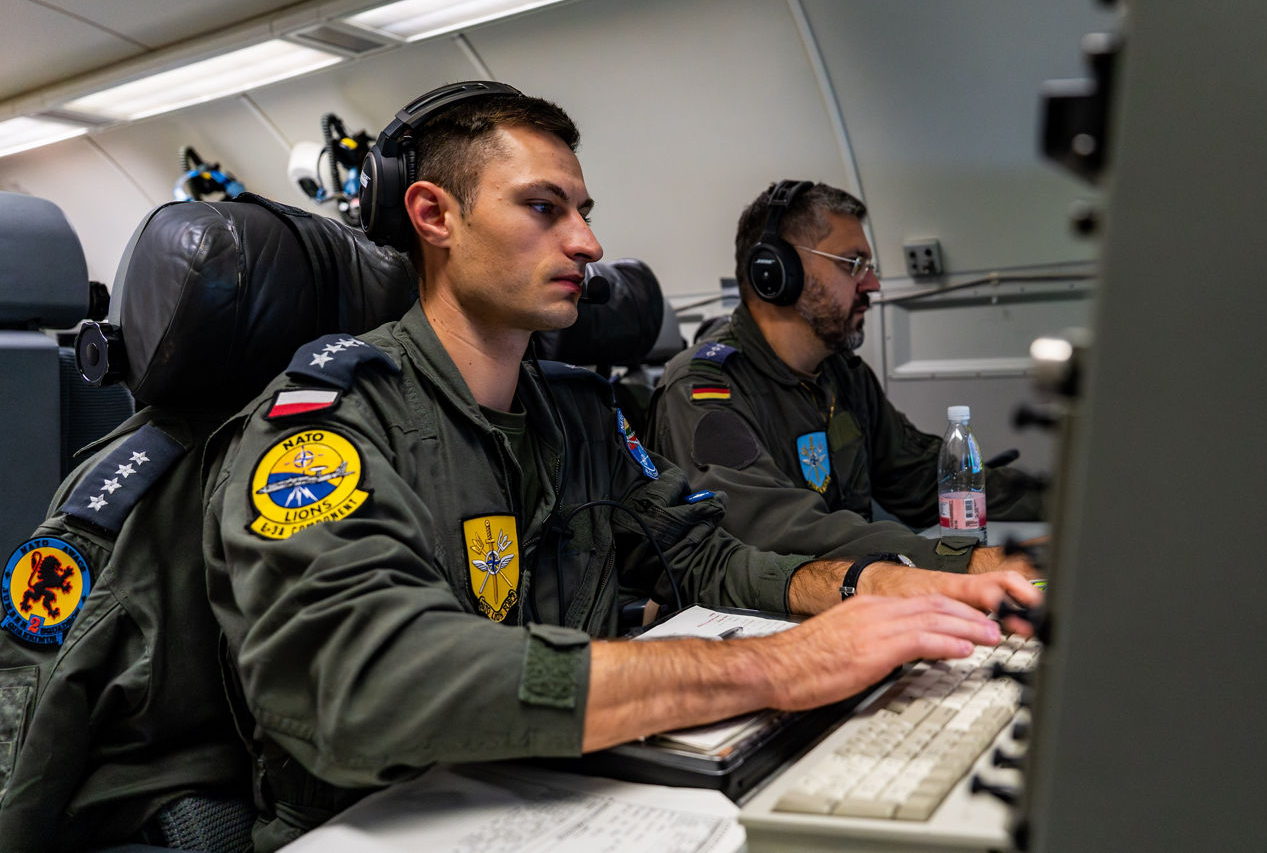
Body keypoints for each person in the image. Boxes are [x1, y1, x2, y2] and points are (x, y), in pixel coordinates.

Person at [203, 83, 1040, 849]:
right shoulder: (328, 429)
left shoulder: (578, 413)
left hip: (562, 794)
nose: (588, 241)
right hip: (385, 823)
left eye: (584, 209)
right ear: (433, 216)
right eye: (543, 207)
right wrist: (780, 665)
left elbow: (707, 555)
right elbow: (370, 677)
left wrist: (888, 586)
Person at [647, 180, 1046, 574]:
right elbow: (780, 530)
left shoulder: (842, 374)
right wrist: (964, 562)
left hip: (849, 593)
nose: (871, 284)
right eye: (853, 264)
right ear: (775, 272)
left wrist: (1068, 504)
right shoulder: (704, 389)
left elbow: (921, 477)